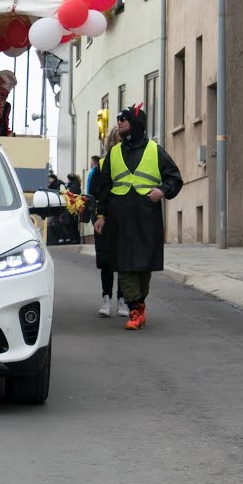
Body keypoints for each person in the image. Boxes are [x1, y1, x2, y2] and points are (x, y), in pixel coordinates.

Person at [91, 103, 182, 330]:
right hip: (119, 216)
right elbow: (104, 187)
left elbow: (175, 178)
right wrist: (100, 215)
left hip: (146, 215)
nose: (119, 122)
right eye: (119, 118)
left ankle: (139, 304)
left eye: (124, 118)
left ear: (136, 123)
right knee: (124, 264)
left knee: (144, 265)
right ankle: (133, 311)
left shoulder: (155, 150)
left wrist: (162, 191)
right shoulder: (113, 153)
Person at [91, 126, 126, 318]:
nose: (120, 142)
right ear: (111, 142)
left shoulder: (131, 163)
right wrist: (98, 216)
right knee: (106, 261)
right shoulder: (102, 165)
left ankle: (122, 300)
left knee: (123, 261)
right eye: (117, 139)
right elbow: (94, 194)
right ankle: (106, 299)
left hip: (124, 218)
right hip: (105, 219)